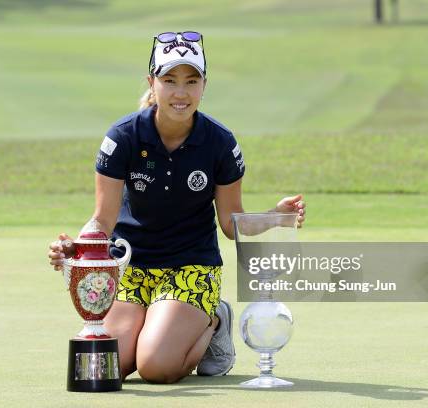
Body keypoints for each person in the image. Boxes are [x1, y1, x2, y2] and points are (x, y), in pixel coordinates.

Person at [48, 31, 306, 384]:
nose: (181, 93)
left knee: (157, 367)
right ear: (152, 82)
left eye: (191, 81)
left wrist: (276, 216)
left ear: (204, 85)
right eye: (169, 80)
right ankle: (164, 324)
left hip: (191, 267)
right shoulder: (123, 137)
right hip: (131, 268)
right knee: (113, 363)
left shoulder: (219, 142)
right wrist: (77, 250)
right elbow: (103, 220)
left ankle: (213, 320)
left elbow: (231, 224)